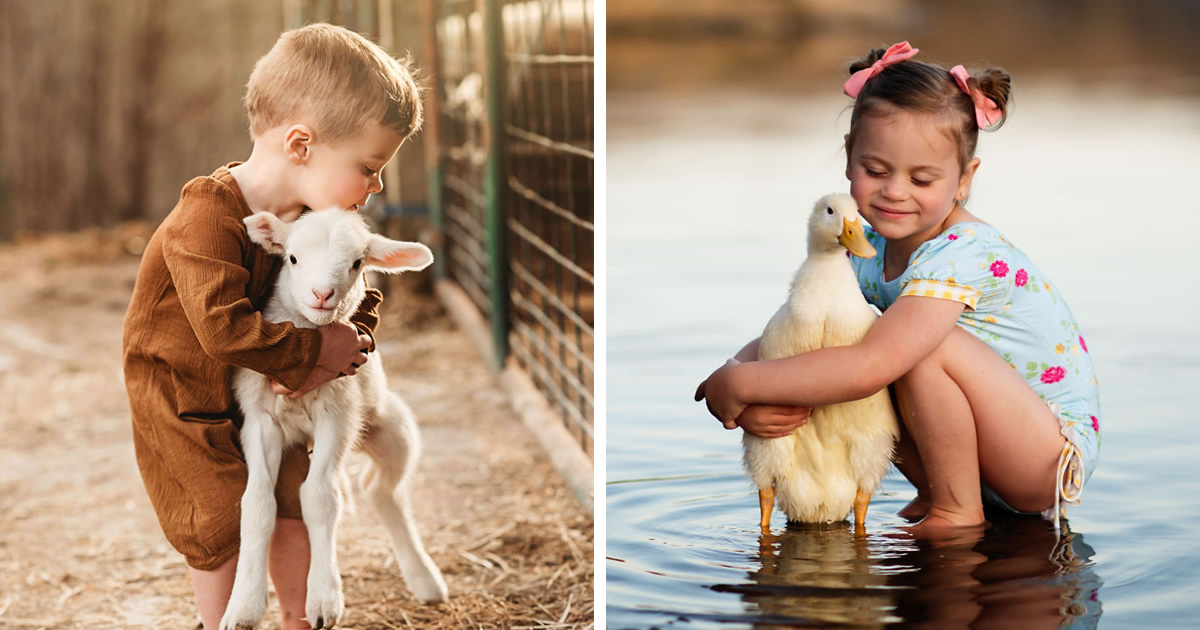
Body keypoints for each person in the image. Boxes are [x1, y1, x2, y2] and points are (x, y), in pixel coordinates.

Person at [695, 42, 1100, 537]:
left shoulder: (963, 251)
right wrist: (738, 372)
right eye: (876, 171)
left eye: (922, 178)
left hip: (1043, 455)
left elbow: (873, 366)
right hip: (986, 452)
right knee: (849, 334)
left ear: (963, 180)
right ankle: (941, 491)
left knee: (906, 345)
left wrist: (746, 386)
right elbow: (797, 328)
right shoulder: (860, 250)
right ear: (850, 158)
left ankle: (957, 509)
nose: (894, 192)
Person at [122, 23, 422, 629]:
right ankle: (224, 622)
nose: (377, 185)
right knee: (214, 514)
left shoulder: (314, 221)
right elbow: (222, 330)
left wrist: (351, 340)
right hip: (185, 396)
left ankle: (297, 617)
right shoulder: (206, 217)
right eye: (368, 166)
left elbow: (352, 288)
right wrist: (308, 355)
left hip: (263, 388)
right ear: (302, 145)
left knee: (293, 493)